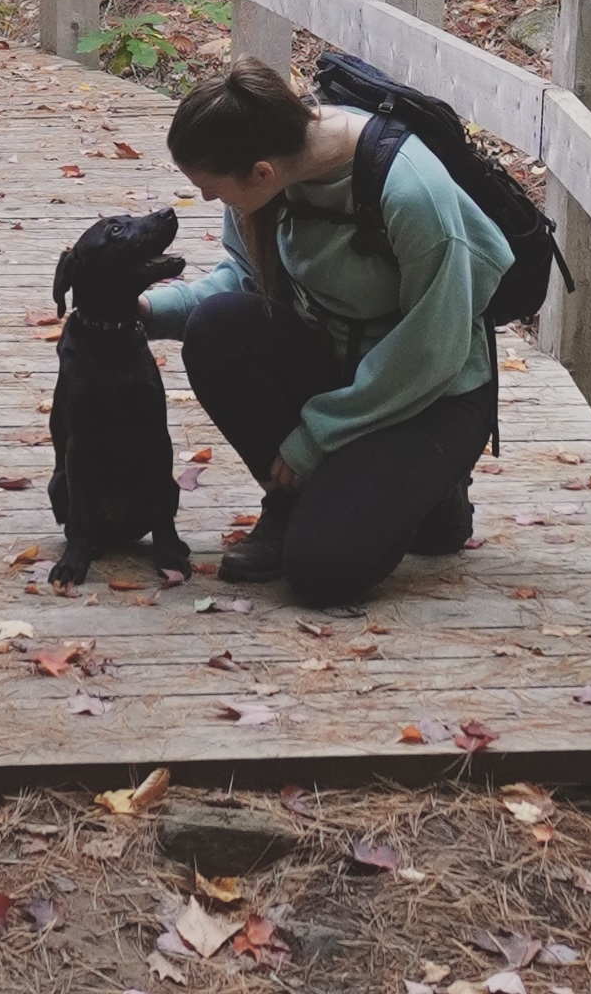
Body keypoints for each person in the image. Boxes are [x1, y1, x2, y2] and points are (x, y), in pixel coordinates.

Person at [137, 52, 508, 608]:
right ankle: (294, 503)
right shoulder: (266, 167)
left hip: (434, 390)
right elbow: (242, 286)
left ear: (260, 173)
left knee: (322, 571)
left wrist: (317, 436)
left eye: (214, 191)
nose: (213, 202)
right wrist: (146, 310)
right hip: (341, 366)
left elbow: (435, 348)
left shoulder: (409, 191)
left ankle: (434, 497)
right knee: (217, 329)